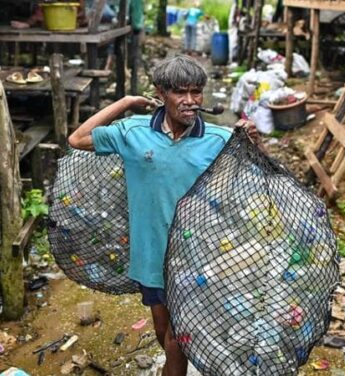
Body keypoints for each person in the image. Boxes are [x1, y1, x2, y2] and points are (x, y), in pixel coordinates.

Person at [68, 55, 259, 375]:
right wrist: (125, 102)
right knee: (162, 329)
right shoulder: (132, 132)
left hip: (198, 255)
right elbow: (77, 139)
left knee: (177, 336)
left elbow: (258, 177)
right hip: (151, 253)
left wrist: (256, 142)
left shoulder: (219, 139)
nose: (189, 101)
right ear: (160, 93)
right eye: (179, 93)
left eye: (196, 92)